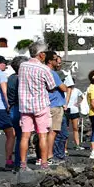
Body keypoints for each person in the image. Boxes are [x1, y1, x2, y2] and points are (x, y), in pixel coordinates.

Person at [17, 42, 58, 171]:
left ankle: (23, 164)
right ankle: (44, 164)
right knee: (42, 135)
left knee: (25, 136)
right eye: (45, 53)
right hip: (40, 105)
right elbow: (52, 87)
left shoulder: (22, 66)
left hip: (25, 106)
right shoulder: (44, 69)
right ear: (41, 55)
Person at [46, 52, 71, 165]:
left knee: (51, 133)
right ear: (50, 61)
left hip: (47, 105)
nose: (58, 62)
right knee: (55, 132)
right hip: (55, 105)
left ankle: (51, 155)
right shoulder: (53, 74)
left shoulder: (43, 72)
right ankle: (51, 156)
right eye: (56, 60)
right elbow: (64, 88)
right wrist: (63, 86)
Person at [7, 57, 25, 170]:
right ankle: (19, 162)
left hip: (12, 108)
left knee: (15, 136)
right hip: (20, 108)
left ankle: (13, 161)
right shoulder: (20, 79)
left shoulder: (10, 78)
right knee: (21, 137)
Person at [66, 76, 84, 152]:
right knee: (65, 129)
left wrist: (78, 103)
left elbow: (83, 97)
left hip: (74, 110)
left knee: (75, 128)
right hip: (66, 110)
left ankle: (77, 145)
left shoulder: (77, 90)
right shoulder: (65, 90)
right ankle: (65, 147)